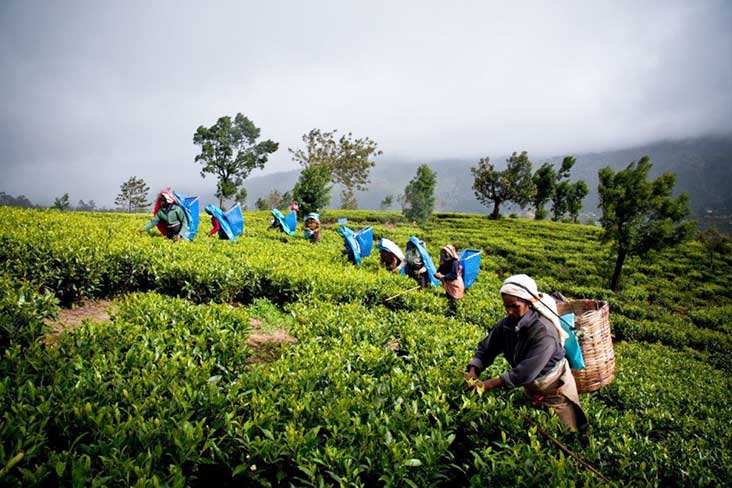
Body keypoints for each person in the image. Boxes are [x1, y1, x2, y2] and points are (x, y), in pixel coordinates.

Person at [465, 274, 588, 432]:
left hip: (555, 390)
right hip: (531, 388)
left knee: (564, 432)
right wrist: (473, 371)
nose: (509, 312)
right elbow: (486, 348)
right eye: (506, 306)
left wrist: (486, 385)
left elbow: (525, 372)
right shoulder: (506, 325)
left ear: (529, 303)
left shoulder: (544, 332)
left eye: (514, 306)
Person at [434, 244, 464, 314]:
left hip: (455, 285)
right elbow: (440, 270)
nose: (444, 254)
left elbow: (454, 275)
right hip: (448, 284)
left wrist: (443, 277)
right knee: (448, 299)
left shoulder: (454, 262)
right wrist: (437, 273)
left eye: (446, 252)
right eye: (443, 252)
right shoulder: (445, 261)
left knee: (453, 301)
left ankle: (454, 315)